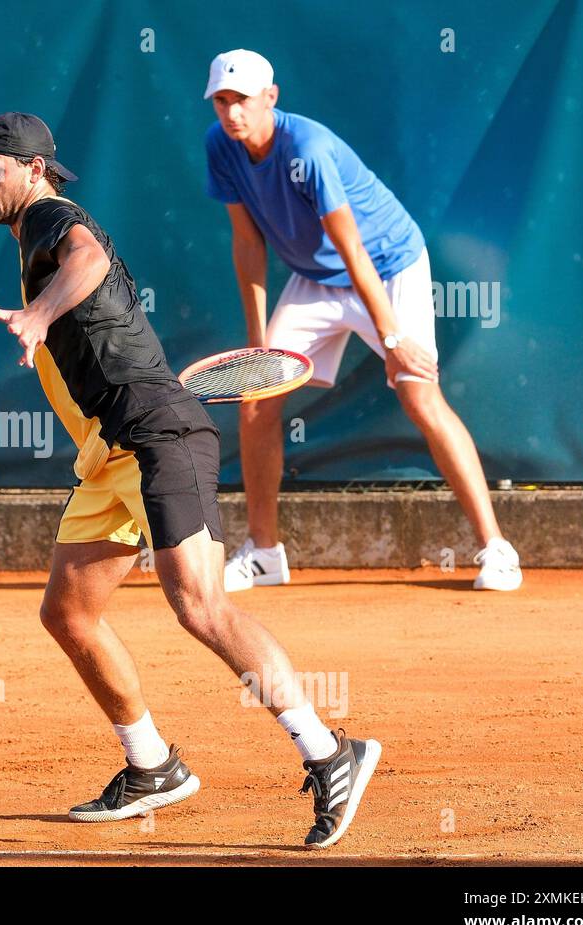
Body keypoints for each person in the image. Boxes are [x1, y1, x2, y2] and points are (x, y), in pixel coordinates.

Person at [0, 111, 381, 848]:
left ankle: (329, 752)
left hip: (159, 434)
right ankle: (152, 765)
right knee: (69, 614)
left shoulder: (51, 218)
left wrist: (39, 314)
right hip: (109, 452)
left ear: (33, 170)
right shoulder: (30, 232)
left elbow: (88, 259)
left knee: (201, 607)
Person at [202, 49, 523, 592]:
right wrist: (259, 345)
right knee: (257, 402)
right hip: (315, 278)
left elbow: (353, 248)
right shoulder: (221, 148)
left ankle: (497, 549)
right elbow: (247, 241)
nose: (233, 113)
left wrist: (392, 337)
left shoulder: (309, 148)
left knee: (420, 395)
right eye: (222, 101)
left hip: (387, 266)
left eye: (243, 101)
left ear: (271, 99)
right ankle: (264, 552)